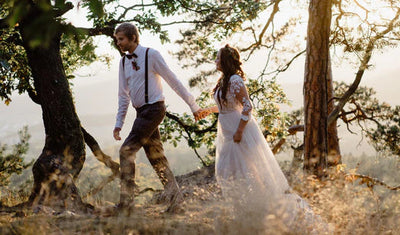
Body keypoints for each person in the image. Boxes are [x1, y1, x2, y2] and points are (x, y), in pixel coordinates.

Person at [197, 44, 329, 233]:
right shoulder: (223, 80)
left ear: (225, 60)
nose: (215, 61)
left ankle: (266, 210)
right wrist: (207, 110)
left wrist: (240, 131)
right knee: (227, 170)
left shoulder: (235, 80)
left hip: (239, 131)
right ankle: (244, 209)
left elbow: (247, 107)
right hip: (226, 131)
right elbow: (226, 106)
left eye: (218, 58)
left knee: (251, 170)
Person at [113, 23, 203, 214]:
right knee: (156, 157)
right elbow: (123, 95)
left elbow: (172, 80)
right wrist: (118, 123)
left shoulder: (151, 55)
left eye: (121, 39)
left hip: (154, 109)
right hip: (141, 113)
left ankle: (126, 204)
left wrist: (193, 105)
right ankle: (176, 200)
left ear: (133, 38)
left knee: (126, 151)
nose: (118, 42)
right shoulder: (123, 62)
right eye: (117, 39)